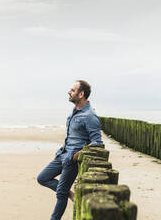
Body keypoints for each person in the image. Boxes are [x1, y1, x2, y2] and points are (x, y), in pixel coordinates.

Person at [37, 80, 103, 220]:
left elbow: (97, 142)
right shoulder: (74, 111)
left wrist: (77, 155)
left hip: (72, 160)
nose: (69, 92)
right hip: (62, 154)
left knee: (61, 194)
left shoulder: (90, 116)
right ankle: (71, 194)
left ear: (81, 94)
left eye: (72, 90)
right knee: (42, 178)